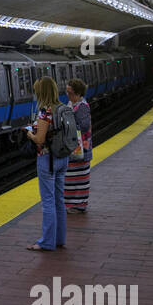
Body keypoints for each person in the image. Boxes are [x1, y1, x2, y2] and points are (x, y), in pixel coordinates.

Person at [26, 77, 68, 252]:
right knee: (59, 199)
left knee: (48, 201)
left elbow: (40, 139)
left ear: (41, 92)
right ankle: (59, 239)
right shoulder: (62, 109)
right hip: (62, 158)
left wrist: (30, 134)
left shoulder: (45, 113)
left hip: (47, 159)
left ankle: (46, 242)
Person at [64, 78, 92, 214]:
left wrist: (69, 124)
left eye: (70, 92)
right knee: (71, 178)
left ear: (78, 93)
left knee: (78, 179)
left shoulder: (82, 107)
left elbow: (85, 125)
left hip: (81, 150)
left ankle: (79, 204)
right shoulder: (71, 104)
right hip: (74, 149)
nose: (67, 95)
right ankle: (70, 203)